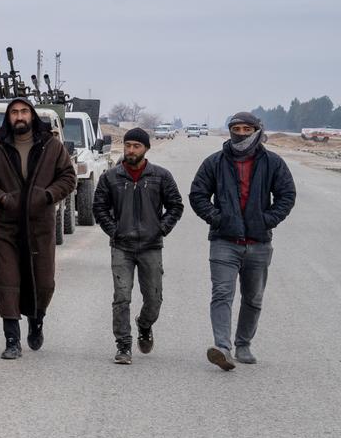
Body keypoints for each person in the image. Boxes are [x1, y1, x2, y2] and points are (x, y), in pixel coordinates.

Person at [189, 111, 296, 370]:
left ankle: (243, 344)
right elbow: (198, 194)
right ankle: (222, 348)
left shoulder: (273, 163)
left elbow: (287, 195)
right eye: (236, 129)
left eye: (247, 129)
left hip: (259, 243)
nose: (241, 134)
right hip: (224, 241)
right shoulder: (214, 162)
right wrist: (218, 218)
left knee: (253, 298)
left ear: (257, 131)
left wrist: (266, 220)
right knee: (222, 294)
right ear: (230, 131)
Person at [0, 98, 78, 359]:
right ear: (8, 117)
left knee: (43, 281)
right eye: (14, 112)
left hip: (40, 225)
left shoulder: (51, 146)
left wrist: (47, 195)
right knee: (8, 280)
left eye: (23, 111)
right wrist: (1, 199)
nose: (19, 116)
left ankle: (37, 320)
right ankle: (12, 340)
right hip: (8, 226)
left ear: (31, 115)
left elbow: (68, 177)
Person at [91, 128, 185, 365]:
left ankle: (144, 324)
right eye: (128, 145)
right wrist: (114, 230)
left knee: (154, 299)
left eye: (136, 146)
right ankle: (123, 345)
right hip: (121, 247)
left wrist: (160, 228)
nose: (131, 150)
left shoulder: (161, 176)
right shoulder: (110, 177)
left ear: (146, 149)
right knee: (121, 297)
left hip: (151, 247)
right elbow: (99, 207)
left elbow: (176, 205)